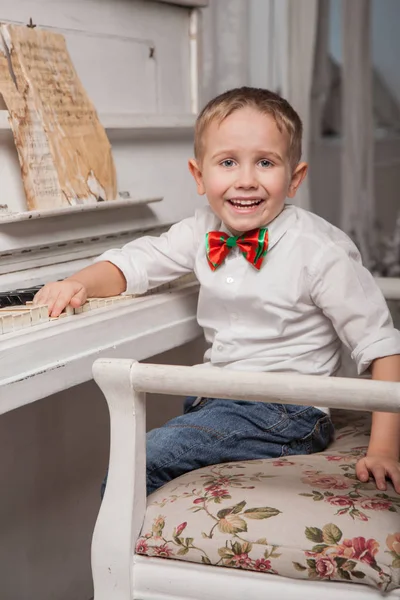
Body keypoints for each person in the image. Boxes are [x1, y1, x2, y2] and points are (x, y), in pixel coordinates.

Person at [33, 87, 400, 496]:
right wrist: (78, 282)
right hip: (215, 397)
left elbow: (382, 347)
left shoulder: (319, 251)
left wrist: (384, 449)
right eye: (227, 162)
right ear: (199, 175)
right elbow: (136, 262)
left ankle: (124, 557)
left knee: (135, 462)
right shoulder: (200, 230)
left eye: (265, 162)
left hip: (288, 411)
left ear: (294, 178)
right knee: (160, 444)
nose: (246, 180)